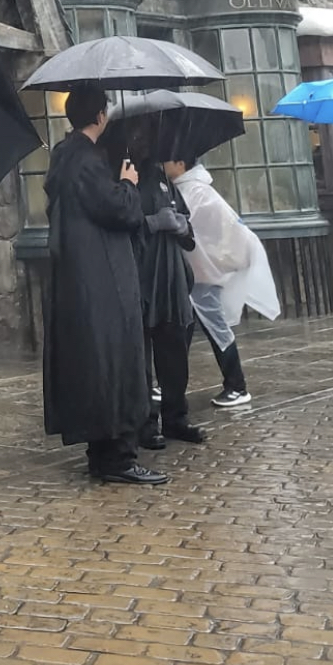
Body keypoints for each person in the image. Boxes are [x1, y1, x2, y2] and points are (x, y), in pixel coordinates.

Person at [43, 87, 166, 485]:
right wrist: (128, 183)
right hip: (103, 277)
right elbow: (120, 211)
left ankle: (101, 452)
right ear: (99, 116)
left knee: (95, 362)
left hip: (79, 277)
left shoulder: (64, 156)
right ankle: (118, 457)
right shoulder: (86, 160)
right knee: (116, 358)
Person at [163, 153, 280, 409]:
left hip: (203, 275)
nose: (164, 163)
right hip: (196, 273)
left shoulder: (197, 192)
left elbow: (199, 228)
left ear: (181, 163)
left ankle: (237, 385)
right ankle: (171, 384)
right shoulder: (187, 189)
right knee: (184, 329)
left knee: (214, 329)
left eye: (168, 159)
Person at [129, 127, 204, 448]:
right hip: (141, 276)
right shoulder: (125, 180)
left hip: (171, 280)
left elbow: (187, 228)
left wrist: (182, 226)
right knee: (141, 358)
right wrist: (151, 223)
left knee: (174, 354)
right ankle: (145, 424)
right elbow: (120, 224)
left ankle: (176, 417)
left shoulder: (165, 181)